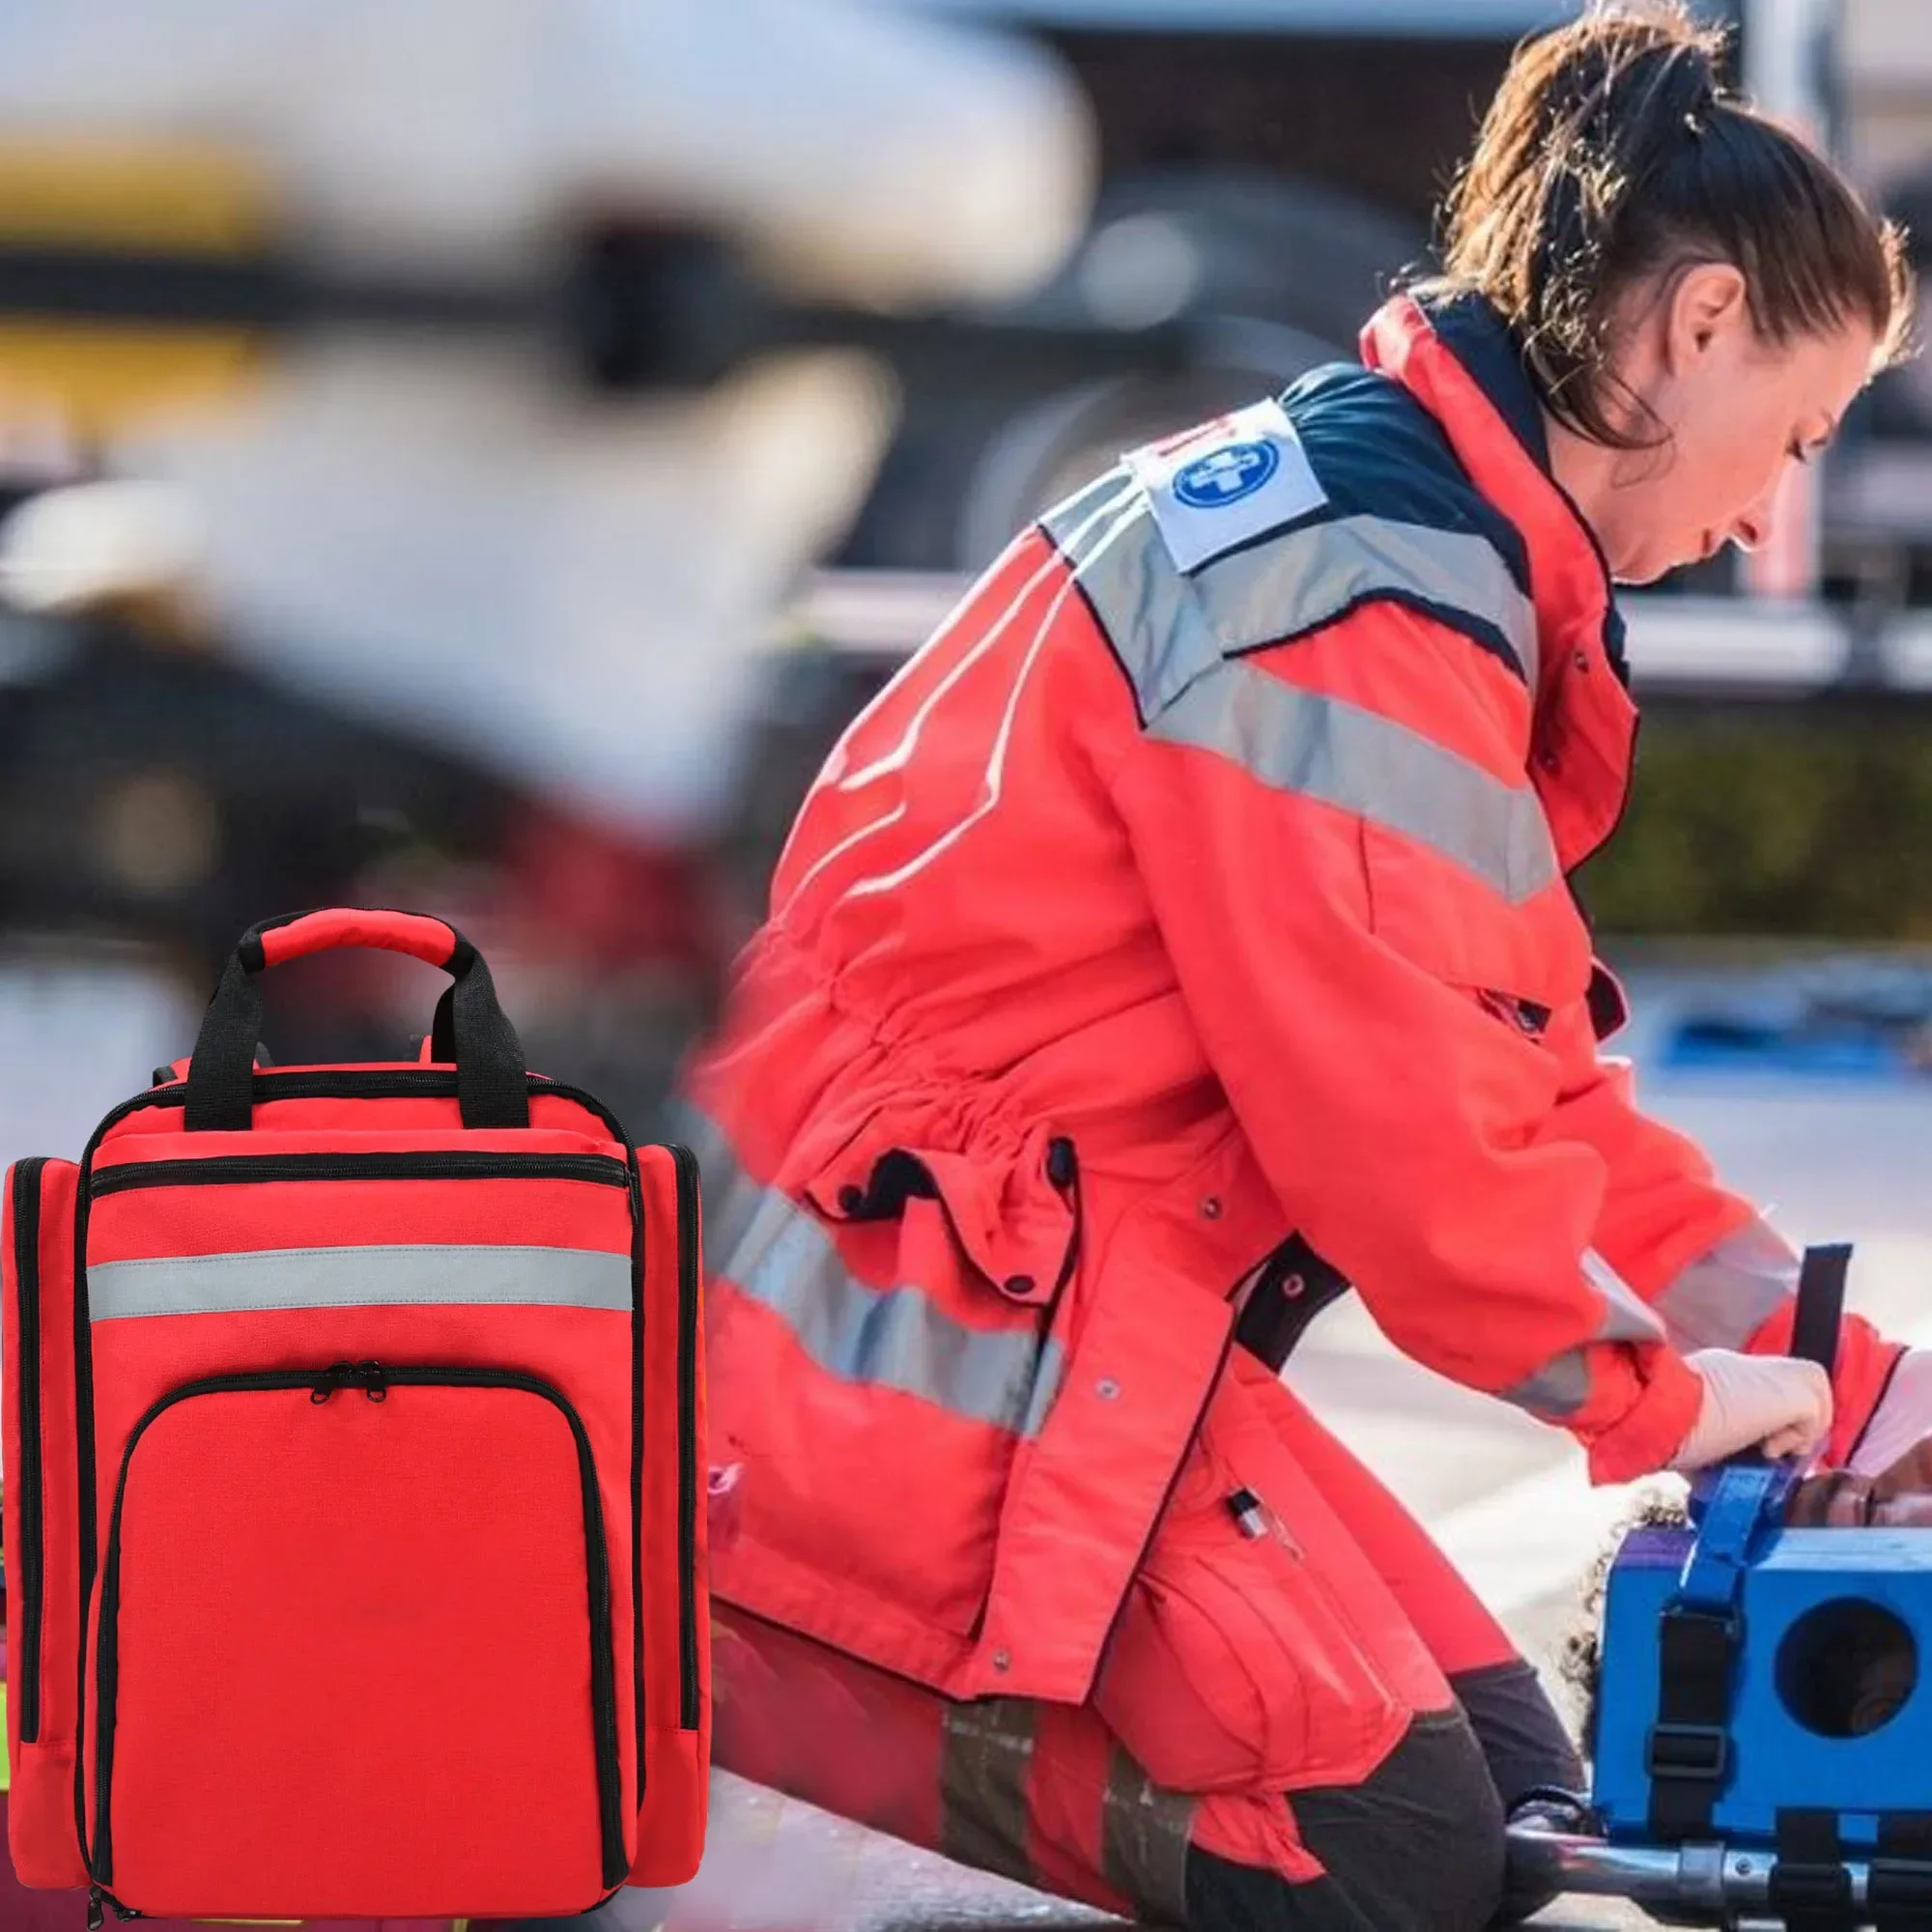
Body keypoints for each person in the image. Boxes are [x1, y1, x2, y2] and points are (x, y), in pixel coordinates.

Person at [673, 6, 1925, 1927]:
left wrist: (1845, 1379)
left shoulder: (1390, 532)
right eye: (1798, 434)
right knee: (1396, 1848)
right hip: (907, 1324)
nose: (1769, 508)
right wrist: (1665, 1410)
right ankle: (686, 1639)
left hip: (997, 1279)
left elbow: (1526, 1098)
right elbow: (1414, 1158)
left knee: (1515, 1801)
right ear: (1693, 333)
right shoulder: (1366, 597)